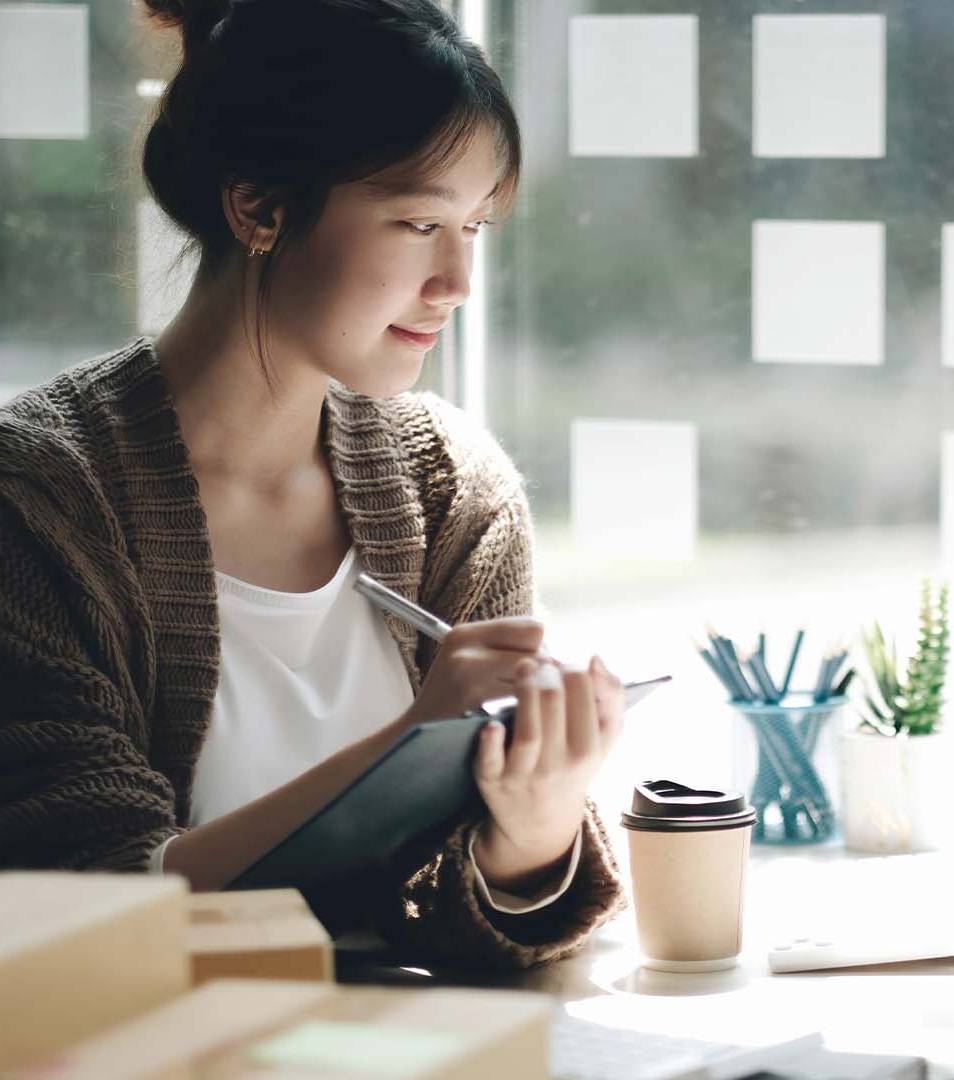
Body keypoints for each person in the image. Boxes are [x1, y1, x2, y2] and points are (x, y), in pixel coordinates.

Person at [0, 0, 627, 971]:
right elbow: (90, 906)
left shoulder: (453, 491)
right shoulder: (39, 504)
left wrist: (533, 822)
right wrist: (409, 745)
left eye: (473, 226)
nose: (458, 280)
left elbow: (448, 906)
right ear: (259, 208)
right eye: (418, 222)